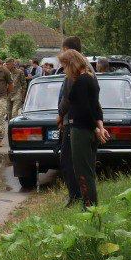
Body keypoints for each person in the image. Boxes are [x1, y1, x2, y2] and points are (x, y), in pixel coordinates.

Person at [57, 49, 107, 207]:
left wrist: (95, 128)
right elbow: (96, 107)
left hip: (81, 130)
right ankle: (91, 207)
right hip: (87, 129)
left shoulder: (80, 81)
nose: (64, 70)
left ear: (71, 64)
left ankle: (89, 208)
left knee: (83, 173)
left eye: (64, 66)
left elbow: (85, 109)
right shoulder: (90, 78)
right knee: (88, 170)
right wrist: (100, 125)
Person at [57, 36, 85, 205]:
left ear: (69, 51)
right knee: (72, 160)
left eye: (63, 50)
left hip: (74, 121)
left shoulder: (75, 71)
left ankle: (76, 196)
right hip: (72, 121)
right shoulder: (82, 68)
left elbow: (68, 98)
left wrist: (60, 115)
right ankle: (77, 195)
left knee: (68, 160)